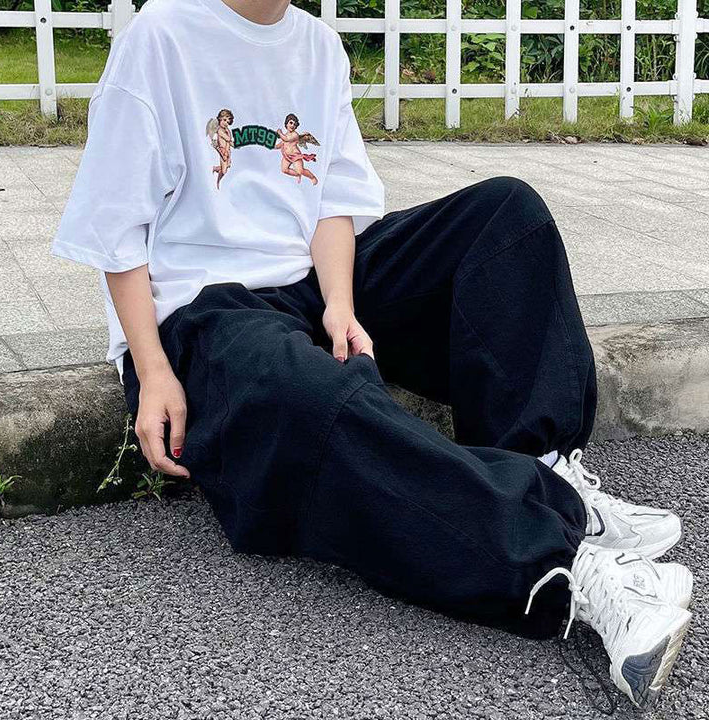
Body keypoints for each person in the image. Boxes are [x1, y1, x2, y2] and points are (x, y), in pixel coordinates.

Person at [51, 0, 693, 710]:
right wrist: (152, 369)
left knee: (505, 216)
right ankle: (561, 559)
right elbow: (116, 223)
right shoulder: (161, 34)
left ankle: (544, 471)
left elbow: (333, 200)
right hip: (200, 310)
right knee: (307, 396)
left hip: (309, 285)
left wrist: (340, 306)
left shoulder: (318, 46)